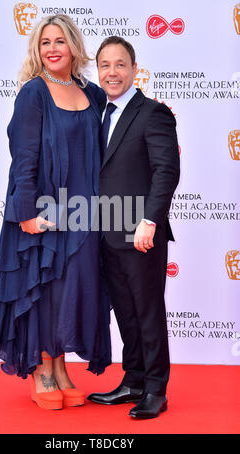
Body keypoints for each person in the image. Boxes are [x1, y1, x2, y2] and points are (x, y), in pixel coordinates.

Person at [0, 14, 111, 411]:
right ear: (37, 50)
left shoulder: (92, 93)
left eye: (60, 41)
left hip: (85, 213)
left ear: (74, 46)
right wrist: (24, 213)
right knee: (44, 288)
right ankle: (42, 370)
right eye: (45, 42)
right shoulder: (33, 93)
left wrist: (158, 113)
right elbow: (22, 158)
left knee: (70, 289)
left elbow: (119, 130)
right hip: (44, 210)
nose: (53, 48)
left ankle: (60, 367)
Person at [87, 37, 180, 419]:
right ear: (98, 71)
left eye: (120, 64)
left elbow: (166, 171)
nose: (112, 72)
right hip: (107, 231)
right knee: (125, 312)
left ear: (134, 69)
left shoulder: (153, 113)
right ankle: (134, 380)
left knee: (147, 312)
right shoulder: (99, 113)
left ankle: (156, 390)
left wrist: (149, 221)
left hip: (142, 233)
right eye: (105, 65)